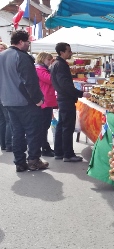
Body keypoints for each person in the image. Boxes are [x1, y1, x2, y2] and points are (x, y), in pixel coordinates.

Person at [0, 30, 48, 172]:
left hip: (8, 101)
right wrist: (38, 99)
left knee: (17, 132)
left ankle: (20, 162)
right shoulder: (22, 57)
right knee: (33, 131)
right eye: (28, 41)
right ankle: (33, 160)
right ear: (21, 42)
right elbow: (30, 81)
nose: (29, 44)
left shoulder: (2, 56)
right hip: (25, 102)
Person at [50, 42, 90, 162]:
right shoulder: (60, 65)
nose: (70, 52)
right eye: (68, 51)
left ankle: (59, 152)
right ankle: (68, 154)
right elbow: (65, 85)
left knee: (61, 126)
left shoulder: (55, 64)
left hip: (63, 98)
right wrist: (81, 93)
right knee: (67, 127)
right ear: (62, 52)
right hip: (66, 99)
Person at [35, 52, 58, 157]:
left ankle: (45, 147)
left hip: (46, 100)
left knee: (44, 126)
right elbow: (50, 80)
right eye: (48, 60)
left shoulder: (42, 69)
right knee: (43, 127)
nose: (50, 62)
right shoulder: (40, 69)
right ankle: (44, 148)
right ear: (42, 59)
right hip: (44, 101)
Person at [0, 41, 13, 152]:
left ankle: (4, 144)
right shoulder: (6, 63)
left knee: (4, 120)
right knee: (7, 120)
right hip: (4, 94)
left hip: (4, 94)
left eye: (2, 48)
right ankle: (8, 144)